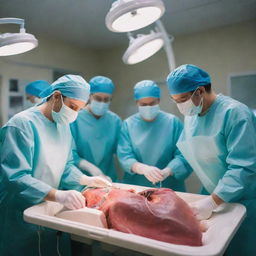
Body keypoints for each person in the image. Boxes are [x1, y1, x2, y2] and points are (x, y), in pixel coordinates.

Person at [0, 74, 111, 256]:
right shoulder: (21, 125)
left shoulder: (63, 126)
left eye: (79, 110)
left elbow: (66, 166)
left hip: (49, 211)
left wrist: (85, 178)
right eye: (73, 107)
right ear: (57, 96)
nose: (74, 113)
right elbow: (15, 177)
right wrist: (57, 194)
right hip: (20, 214)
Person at [166, 64, 256, 256]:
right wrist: (169, 170)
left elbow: (243, 167)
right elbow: (188, 153)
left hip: (245, 200)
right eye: (175, 101)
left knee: (241, 249)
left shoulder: (235, 113)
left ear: (199, 91)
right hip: (211, 193)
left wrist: (213, 202)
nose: (180, 106)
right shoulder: (193, 116)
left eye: (182, 99)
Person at [117, 80, 192, 191]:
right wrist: (142, 169)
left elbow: (183, 154)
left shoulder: (173, 122)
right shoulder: (128, 125)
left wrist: (168, 170)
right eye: (143, 104)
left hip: (169, 186)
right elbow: (125, 157)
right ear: (136, 102)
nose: (148, 107)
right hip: (137, 186)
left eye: (152, 103)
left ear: (159, 100)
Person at [71, 76, 122, 182]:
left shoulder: (115, 121)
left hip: (107, 177)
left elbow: (122, 151)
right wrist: (89, 167)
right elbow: (69, 153)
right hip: (80, 179)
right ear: (89, 96)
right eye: (98, 98)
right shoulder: (75, 119)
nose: (102, 103)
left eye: (106, 99)